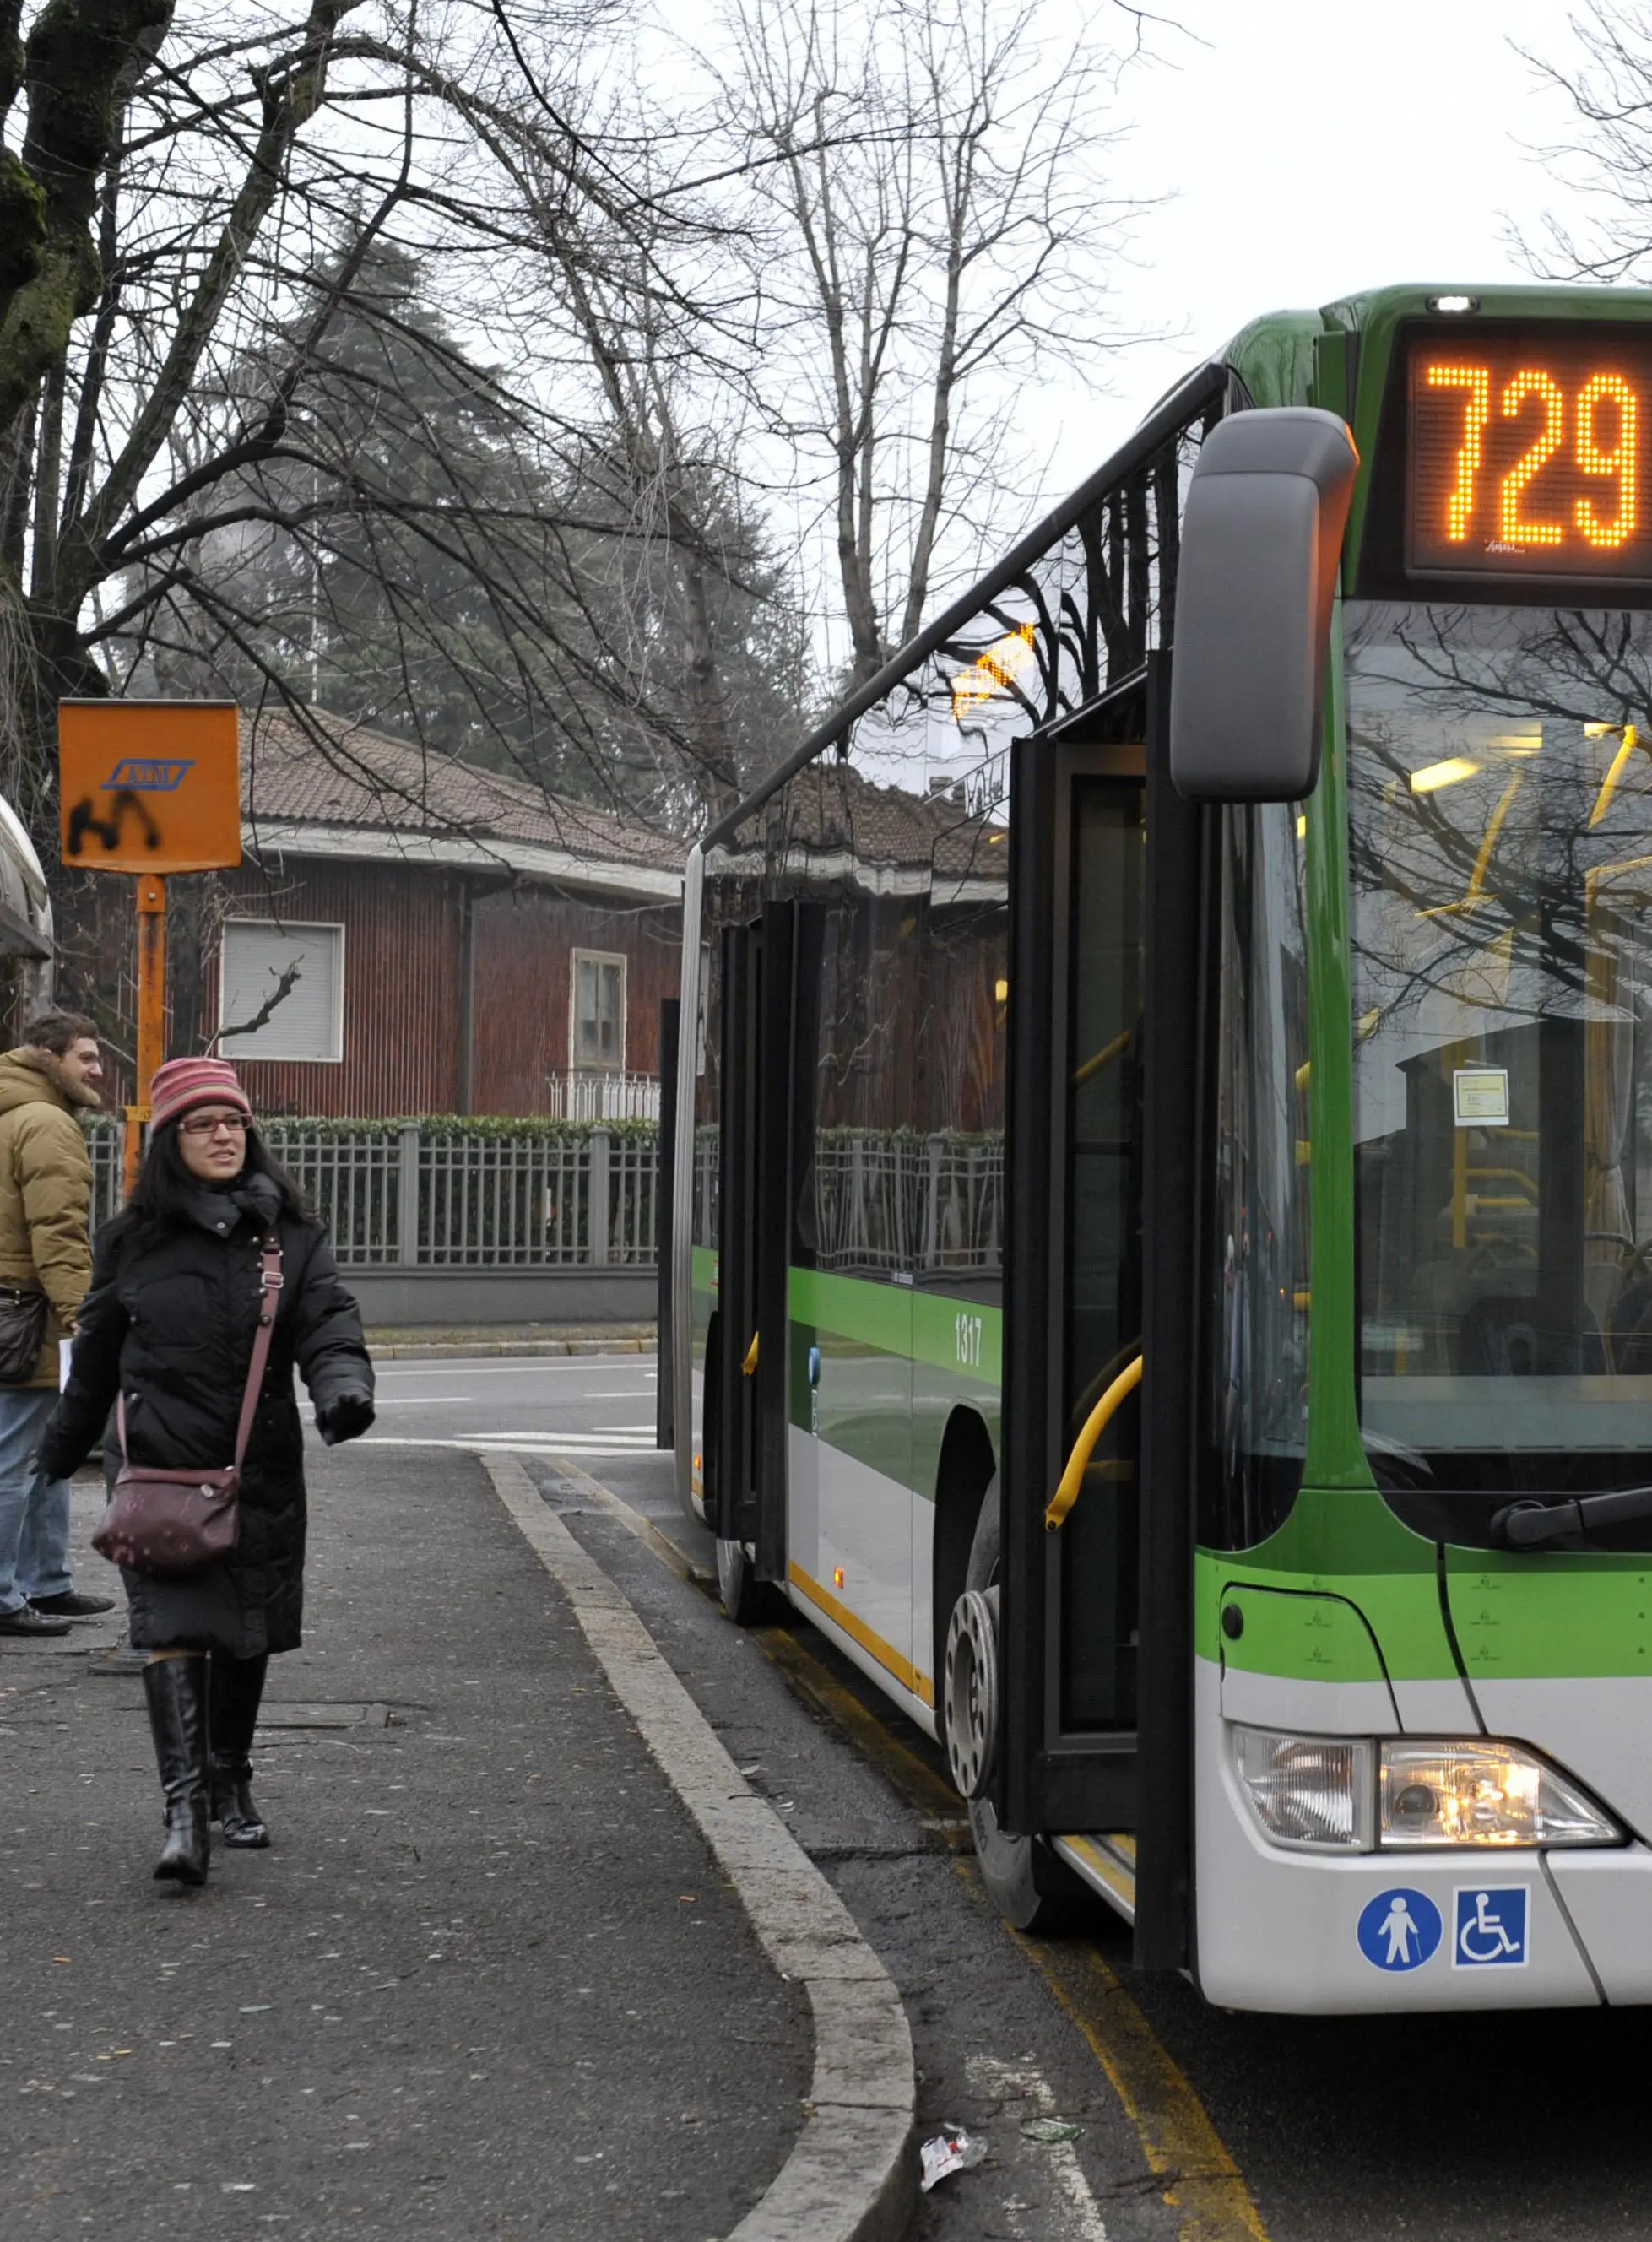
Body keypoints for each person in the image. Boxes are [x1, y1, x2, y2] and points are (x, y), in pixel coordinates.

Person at [40, 1057, 376, 1885]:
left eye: (235, 1122)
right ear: (168, 1142)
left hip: (254, 1468)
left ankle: (230, 1771)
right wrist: (60, 1448)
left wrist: (343, 1389)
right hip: (157, 1468)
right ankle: (184, 1811)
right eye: (203, 1123)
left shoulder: (290, 1236)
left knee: (245, 1632)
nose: (224, 1136)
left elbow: (327, 1321)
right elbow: (97, 1361)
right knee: (171, 1629)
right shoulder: (130, 1243)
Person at [0, 1009, 113, 1638]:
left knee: (46, 1452)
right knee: (17, 1455)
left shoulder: (11, 1110)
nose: (97, 1071)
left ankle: (44, 1582)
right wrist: (82, 1320)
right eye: (86, 1058)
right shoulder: (45, 1122)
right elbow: (59, 1235)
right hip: (30, 1311)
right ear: (49, 1057)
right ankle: (5, 1592)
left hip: (11, 1305)